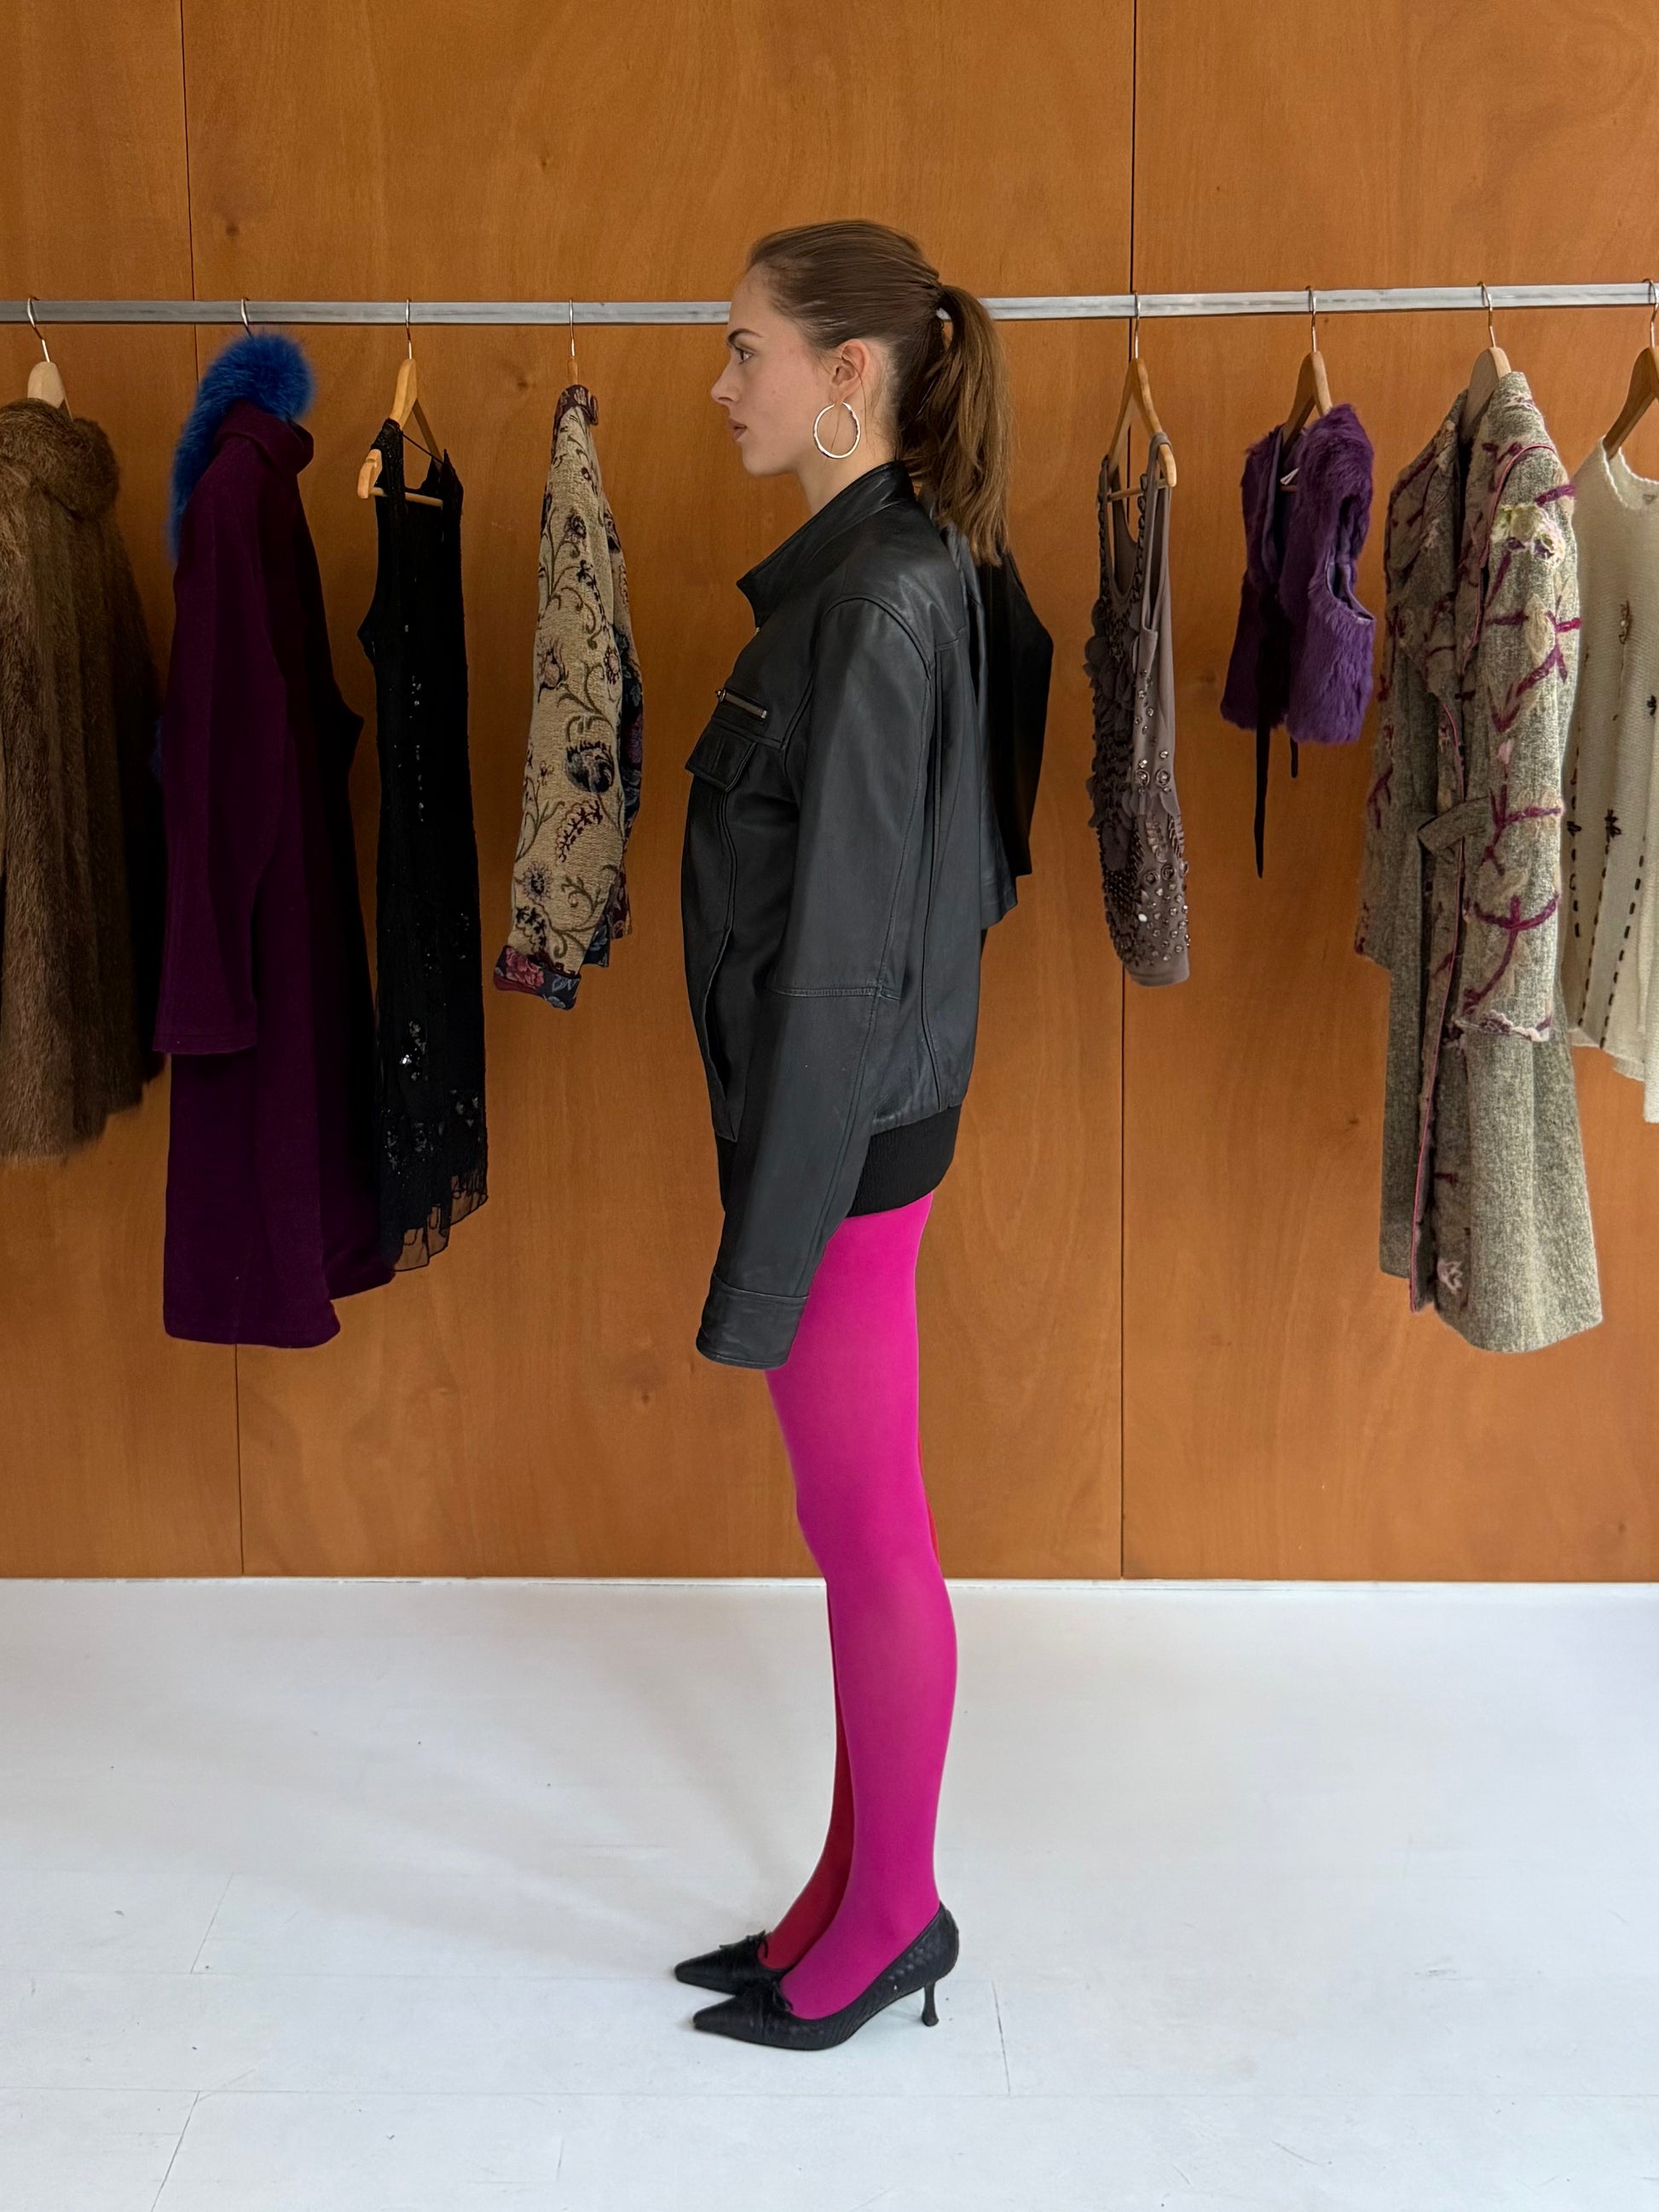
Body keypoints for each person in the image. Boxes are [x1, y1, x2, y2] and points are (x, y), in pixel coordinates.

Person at [673, 218, 1020, 2051]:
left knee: (872, 1531)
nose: (722, 383)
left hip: (843, 1141)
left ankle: (897, 1914)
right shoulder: (876, 574)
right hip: (851, 1122)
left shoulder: (878, 600)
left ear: (848, 377)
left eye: (749, 349)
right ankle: (846, 1881)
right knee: (845, 1520)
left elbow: (843, 962)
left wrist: (776, 1222)